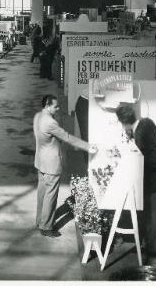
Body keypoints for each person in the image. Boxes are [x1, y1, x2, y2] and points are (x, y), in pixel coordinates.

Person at [115, 105, 156, 259]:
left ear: (124, 122)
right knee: (153, 216)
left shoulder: (143, 128)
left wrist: (137, 160)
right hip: (154, 178)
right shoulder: (143, 125)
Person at [34, 94, 97, 237]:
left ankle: (39, 220)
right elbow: (67, 137)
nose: (58, 108)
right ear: (48, 106)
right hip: (51, 164)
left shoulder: (38, 117)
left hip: (40, 161)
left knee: (42, 194)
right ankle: (46, 227)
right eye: (55, 106)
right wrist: (88, 146)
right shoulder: (50, 123)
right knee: (51, 195)